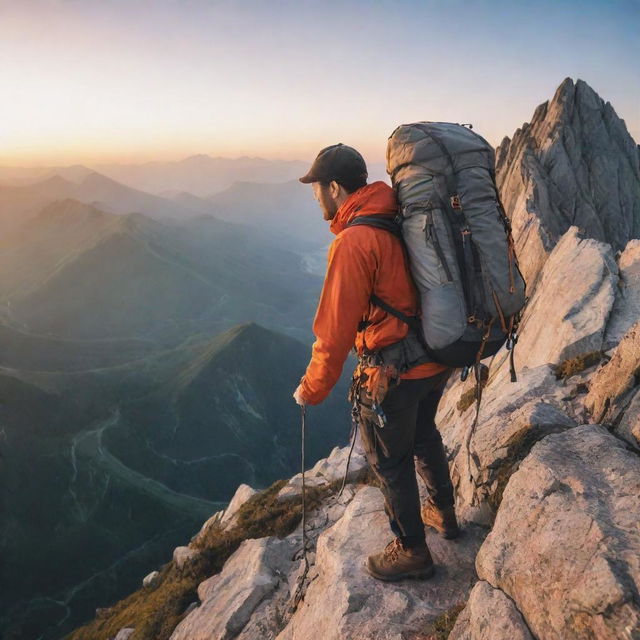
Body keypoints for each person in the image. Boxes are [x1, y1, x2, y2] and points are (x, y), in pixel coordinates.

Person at [293, 143, 460, 582]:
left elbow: (333, 332)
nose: (314, 197)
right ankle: (444, 513)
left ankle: (412, 552)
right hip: (435, 357)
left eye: (316, 189)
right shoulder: (397, 216)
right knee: (424, 434)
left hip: (393, 372)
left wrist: (311, 388)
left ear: (334, 188)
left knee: (390, 461)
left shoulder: (354, 241)